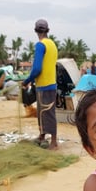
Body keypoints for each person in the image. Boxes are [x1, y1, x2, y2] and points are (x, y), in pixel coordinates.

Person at [22, 19, 58, 150]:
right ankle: (42, 136)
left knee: (47, 113)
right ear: (47, 30)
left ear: (36, 31)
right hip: (51, 83)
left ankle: (54, 142)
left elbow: (37, 69)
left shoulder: (40, 45)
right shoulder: (52, 44)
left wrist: (26, 81)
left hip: (44, 85)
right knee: (43, 112)